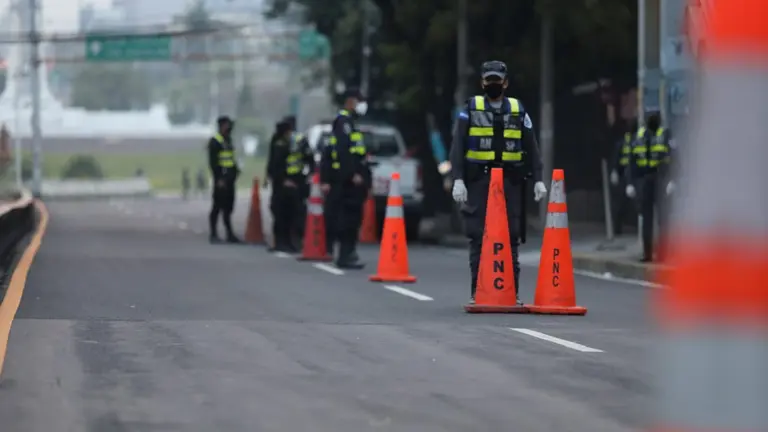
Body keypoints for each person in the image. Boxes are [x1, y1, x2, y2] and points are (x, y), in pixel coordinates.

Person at [448, 60, 547, 305]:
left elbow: (530, 145)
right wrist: (458, 179)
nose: (493, 84)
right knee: (478, 235)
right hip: (479, 180)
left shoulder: (517, 108)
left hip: (509, 181)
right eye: (489, 80)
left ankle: (510, 293)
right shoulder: (470, 108)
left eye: (497, 80)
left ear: (506, 83)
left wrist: (538, 179)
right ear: (482, 82)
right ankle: (478, 291)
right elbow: (457, 146)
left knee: (511, 236)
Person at [321, 88, 370, 268]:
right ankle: (344, 255)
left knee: (353, 218)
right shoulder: (343, 122)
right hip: (348, 182)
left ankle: (348, 253)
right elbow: (343, 152)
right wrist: (352, 174)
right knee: (348, 218)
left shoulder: (350, 122)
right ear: (351, 101)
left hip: (353, 182)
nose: (362, 105)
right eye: (360, 101)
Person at [625, 111, 675, 262]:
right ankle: (647, 253)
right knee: (647, 218)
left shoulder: (665, 135)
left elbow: (674, 158)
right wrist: (630, 183)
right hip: (645, 180)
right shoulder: (639, 137)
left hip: (660, 179)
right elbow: (631, 161)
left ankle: (663, 253)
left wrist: (673, 180)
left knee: (662, 218)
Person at [207, 115, 242, 244]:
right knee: (217, 207)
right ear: (222, 126)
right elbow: (213, 162)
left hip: (230, 179)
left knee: (228, 207)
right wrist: (219, 179)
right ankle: (213, 234)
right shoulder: (215, 141)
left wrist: (235, 170)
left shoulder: (228, 140)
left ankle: (229, 234)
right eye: (228, 125)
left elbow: (230, 158)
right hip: (220, 180)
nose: (230, 128)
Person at [283, 115, 315, 243]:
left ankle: (290, 237)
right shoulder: (301, 139)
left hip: (290, 179)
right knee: (298, 210)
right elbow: (310, 159)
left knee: (290, 210)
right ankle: (297, 237)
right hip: (298, 178)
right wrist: (309, 175)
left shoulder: (285, 139)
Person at [609, 120, 638, 235]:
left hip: (631, 175)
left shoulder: (632, 141)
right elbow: (616, 157)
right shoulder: (624, 142)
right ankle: (617, 229)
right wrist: (615, 171)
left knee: (630, 204)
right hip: (624, 175)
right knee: (620, 204)